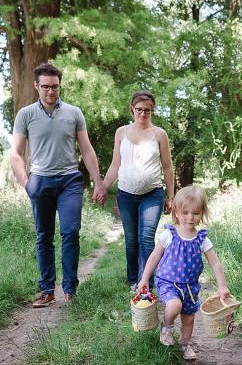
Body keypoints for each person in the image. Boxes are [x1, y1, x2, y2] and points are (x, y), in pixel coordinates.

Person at [10, 62, 107, 307]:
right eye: (45, 87)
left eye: (55, 87)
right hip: (39, 181)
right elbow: (16, 153)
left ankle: (70, 289)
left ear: (60, 85)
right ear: (36, 86)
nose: (51, 92)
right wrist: (26, 183)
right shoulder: (26, 114)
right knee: (44, 236)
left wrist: (99, 182)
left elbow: (86, 149)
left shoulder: (74, 113)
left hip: (69, 181)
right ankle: (47, 291)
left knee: (71, 232)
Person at [136, 185, 232, 360]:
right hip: (167, 282)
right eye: (185, 212)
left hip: (190, 287)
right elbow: (154, 256)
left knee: (188, 320)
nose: (190, 217)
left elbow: (215, 263)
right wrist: (144, 279)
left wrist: (222, 286)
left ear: (201, 213)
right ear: (176, 212)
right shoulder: (169, 234)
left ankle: (184, 345)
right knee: (174, 306)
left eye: (195, 213)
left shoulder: (202, 239)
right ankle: (167, 327)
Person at [102, 91, 174, 292]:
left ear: (152, 111)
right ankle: (133, 279)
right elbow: (115, 164)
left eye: (147, 111)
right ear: (132, 109)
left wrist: (171, 196)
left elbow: (167, 166)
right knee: (131, 240)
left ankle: (147, 283)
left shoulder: (159, 134)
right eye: (139, 110)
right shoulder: (121, 132)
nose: (143, 114)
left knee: (146, 238)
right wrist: (103, 187)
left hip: (152, 194)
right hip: (126, 195)